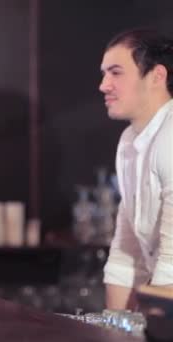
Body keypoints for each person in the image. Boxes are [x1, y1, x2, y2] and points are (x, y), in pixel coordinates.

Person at [100, 28, 173, 309]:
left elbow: (170, 267)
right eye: (104, 73)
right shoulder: (129, 140)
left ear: (157, 76)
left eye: (116, 72)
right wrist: (113, 329)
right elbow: (126, 253)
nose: (103, 85)